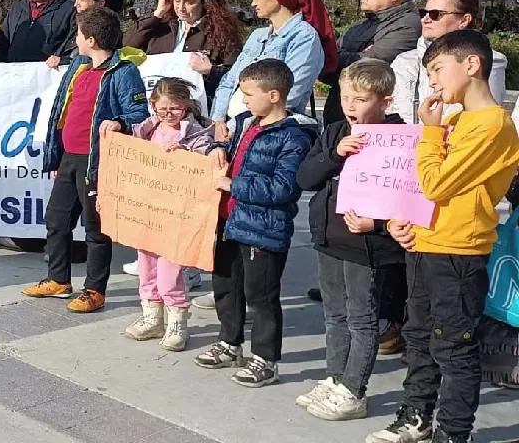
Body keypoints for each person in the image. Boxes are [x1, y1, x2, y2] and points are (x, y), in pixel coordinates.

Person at [367, 30, 519, 443]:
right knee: (418, 337)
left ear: (471, 65)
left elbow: (436, 183)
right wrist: (403, 220)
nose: (431, 81)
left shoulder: (492, 124)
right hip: (424, 243)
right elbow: (415, 183)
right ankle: (417, 414)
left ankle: (453, 431)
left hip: (458, 250)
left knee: (453, 345)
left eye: (436, 69)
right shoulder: (453, 120)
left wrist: (430, 132)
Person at [295, 59, 408, 422]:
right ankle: (334, 378)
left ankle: (354, 389)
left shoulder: (400, 139)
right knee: (334, 314)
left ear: (385, 101)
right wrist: (334, 154)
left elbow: (406, 196)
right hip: (330, 237)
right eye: (346, 97)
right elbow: (305, 179)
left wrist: (376, 225)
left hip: (367, 246)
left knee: (362, 318)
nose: (350, 106)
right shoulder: (334, 132)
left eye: (360, 99)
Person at [22, 8, 149, 314]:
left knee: (95, 226)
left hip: (96, 161)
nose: (74, 39)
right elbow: (61, 111)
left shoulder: (123, 72)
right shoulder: (79, 65)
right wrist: (55, 156)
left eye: (78, 34)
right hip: (68, 157)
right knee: (56, 218)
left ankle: (94, 289)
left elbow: (140, 114)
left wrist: (119, 121)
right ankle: (58, 279)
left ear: (90, 40)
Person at [195, 59, 312, 388]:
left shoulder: (293, 137)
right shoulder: (245, 122)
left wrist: (235, 186)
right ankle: (230, 343)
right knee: (226, 286)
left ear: (274, 95)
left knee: (261, 296)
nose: (243, 100)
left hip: (263, 230)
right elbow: (227, 147)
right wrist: (219, 148)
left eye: (248, 94)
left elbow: (284, 188)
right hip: (230, 222)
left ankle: (265, 359)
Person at [122, 78, 215, 351]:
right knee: (146, 265)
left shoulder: (196, 132)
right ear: (153, 106)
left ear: (185, 106)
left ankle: (177, 321)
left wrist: (186, 152)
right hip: (148, 210)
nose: (169, 115)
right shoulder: (146, 130)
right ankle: (152, 317)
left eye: (175, 109)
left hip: (178, 213)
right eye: (162, 110)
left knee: (169, 270)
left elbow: (209, 158)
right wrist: (115, 127)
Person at [210, 0, 336, 141]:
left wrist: (236, 127)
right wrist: (217, 120)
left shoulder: (304, 38)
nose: (253, 2)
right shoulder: (257, 36)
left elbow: (288, 96)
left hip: (268, 134)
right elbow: (230, 81)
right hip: (231, 131)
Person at [390, 0, 508, 124]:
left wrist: (431, 131)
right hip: (406, 142)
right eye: (423, 13)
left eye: (435, 14)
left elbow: (479, 118)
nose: (425, 19)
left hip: (455, 141)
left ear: (464, 20)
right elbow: (392, 111)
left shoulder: (487, 60)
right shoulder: (405, 61)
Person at [322, 0, 420, 125]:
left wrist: (339, 56)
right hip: (338, 124)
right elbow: (328, 68)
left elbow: (367, 70)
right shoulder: (358, 26)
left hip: (374, 129)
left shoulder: (408, 26)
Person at [123, 0, 243, 101]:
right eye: (177, 0)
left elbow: (237, 76)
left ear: (204, 1)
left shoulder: (223, 32)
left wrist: (211, 71)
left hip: (197, 110)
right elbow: (127, 46)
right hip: (155, 107)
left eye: (189, 2)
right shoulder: (160, 26)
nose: (181, 8)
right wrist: (157, 14)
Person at [44, 0, 124, 69]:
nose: (75, 4)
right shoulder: (76, 22)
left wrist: (63, 61)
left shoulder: (108, 31)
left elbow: (100, 60)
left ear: (100, 3)